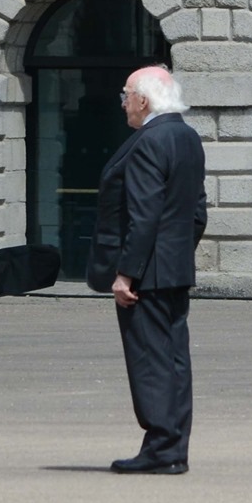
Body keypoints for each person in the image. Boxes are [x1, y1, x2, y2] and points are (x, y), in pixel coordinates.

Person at [89, 66, 207, 474]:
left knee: (150, 360)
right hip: (174, 267)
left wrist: (126, 274)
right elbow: (197, 213)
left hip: (147, 273)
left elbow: (144, 217)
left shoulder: (148, 142)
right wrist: (176, 253)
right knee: (174, 359)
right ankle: (174, 447)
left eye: (126, 95)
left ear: (143, 99)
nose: (123, 103)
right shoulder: (187, 137)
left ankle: (161, 447)